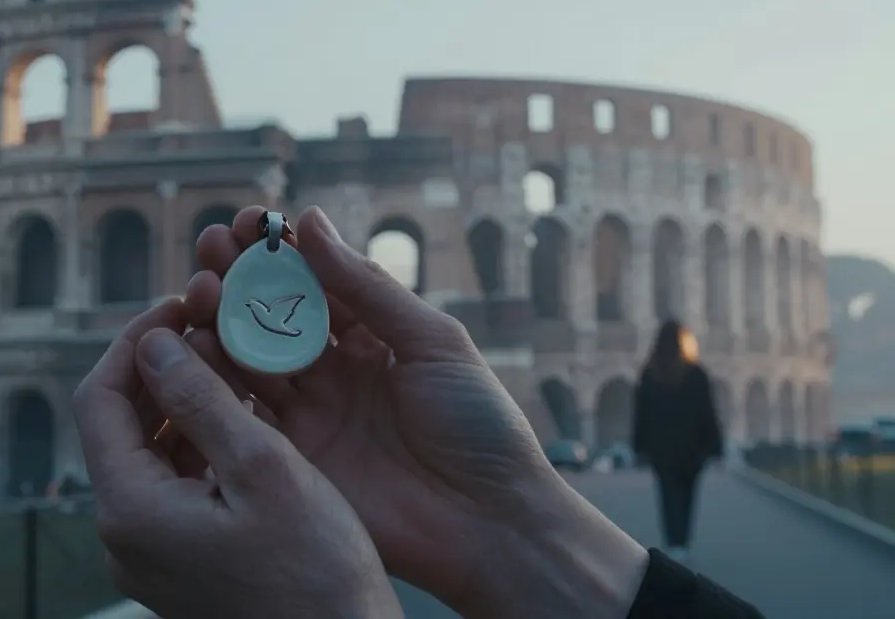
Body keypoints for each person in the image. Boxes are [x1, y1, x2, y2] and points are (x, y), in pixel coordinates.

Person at [73, 206, 764, 618]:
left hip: (662, 462)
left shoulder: (649, 372)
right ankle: (683, 536)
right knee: (680, 499)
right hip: (678, 480)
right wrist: (510, 531)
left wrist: (337, 608)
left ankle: (677, 533)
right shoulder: (690, 372)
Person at [632, 320, 725, 566]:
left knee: (667, 494)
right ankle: (682, 541)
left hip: (661, 449)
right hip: (693, 449)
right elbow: (708, 413)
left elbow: (641, 415)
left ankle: (673, 542)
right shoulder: (695, 373)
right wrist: (716, 446)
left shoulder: (650, 375)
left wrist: (639, 447)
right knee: (687, 495)